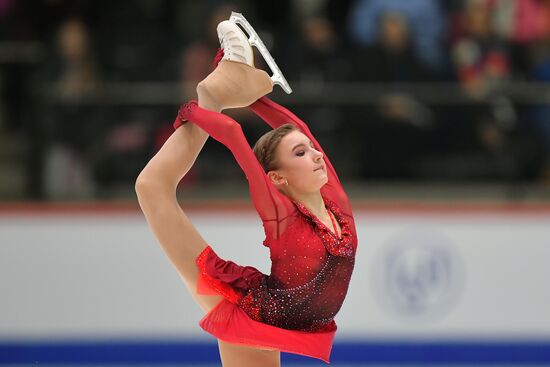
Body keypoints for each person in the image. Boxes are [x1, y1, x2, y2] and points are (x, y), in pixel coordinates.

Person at [135, 19, 357, 366]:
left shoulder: (337, 206)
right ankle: (215, 92)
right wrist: (198, 109)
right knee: (151, 188)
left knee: (153, 187)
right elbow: (235, 137)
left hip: (280, 320)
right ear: (278, 178)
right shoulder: (280, 214)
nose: (316, 155)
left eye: (311, 151)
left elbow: (303, 130)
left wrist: (258, 100)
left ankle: (222, 86)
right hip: (249, 314)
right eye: (300, 154)